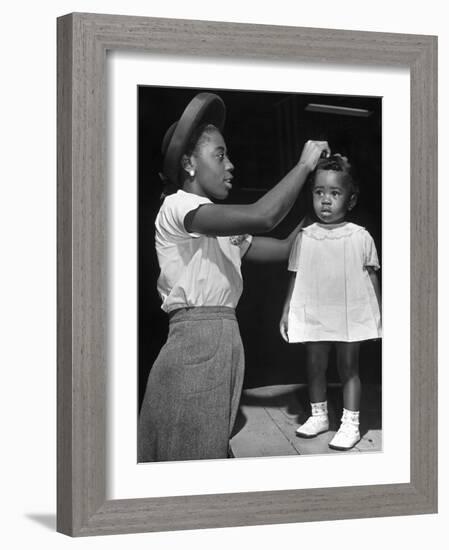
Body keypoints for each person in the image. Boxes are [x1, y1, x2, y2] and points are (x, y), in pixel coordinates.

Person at [138, 92, 330, 462]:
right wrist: (303, 165)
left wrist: (319, 200)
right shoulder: (179, 206)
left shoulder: (219, 226)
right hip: (195, 344)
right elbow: (263, 216)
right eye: (220, 155)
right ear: (189, 164)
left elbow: (287, 247)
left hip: (225, 341)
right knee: (191, 463)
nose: (231, 166)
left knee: (204, 454)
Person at [279, 154, 381, 451]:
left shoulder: (360, 236)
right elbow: (295, 276)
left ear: (350, 200)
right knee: (315, 364)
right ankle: (319, 415)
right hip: (316, 309)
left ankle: (350, 424)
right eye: (319, 192)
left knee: (348, 365)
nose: (325, 200)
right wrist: (287, 310)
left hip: (349, 311)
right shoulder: (305, 236)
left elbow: (372, 278)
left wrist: (379, 313)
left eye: (334, 194)